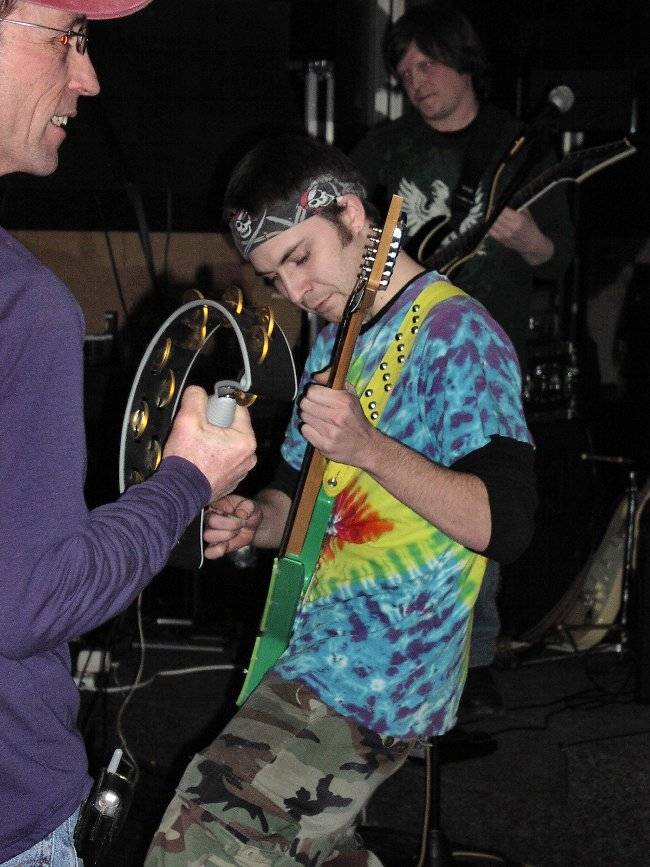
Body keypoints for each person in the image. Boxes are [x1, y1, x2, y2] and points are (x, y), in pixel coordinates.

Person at [146, 132, 537, 866]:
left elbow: (506, 524)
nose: (294, 292)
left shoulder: (457, 333)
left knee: (197, 838)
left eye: (299, 258)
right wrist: (255, 519)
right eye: (274, 277)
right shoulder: (338, 339)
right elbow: (300, 496)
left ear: (353, 215)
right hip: (314, 648)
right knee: (319, 850)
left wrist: (369, 447)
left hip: (382, 675)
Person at [0, 1, 257, 864]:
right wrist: (187, 479)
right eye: (68, 36)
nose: (89, 76)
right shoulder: (22, 305)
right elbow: (30, 600)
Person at [350, 1, 574, 714]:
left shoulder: (520, 147)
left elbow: (559, 258)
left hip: (483, 362)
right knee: (395, 496)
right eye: (406, 69)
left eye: (429, 64)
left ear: (464, 60)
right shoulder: (383, 150)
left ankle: (473, 664)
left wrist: (529, 239)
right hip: (397, 351)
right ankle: (389, 648)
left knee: (478, 501)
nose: (416, 81)